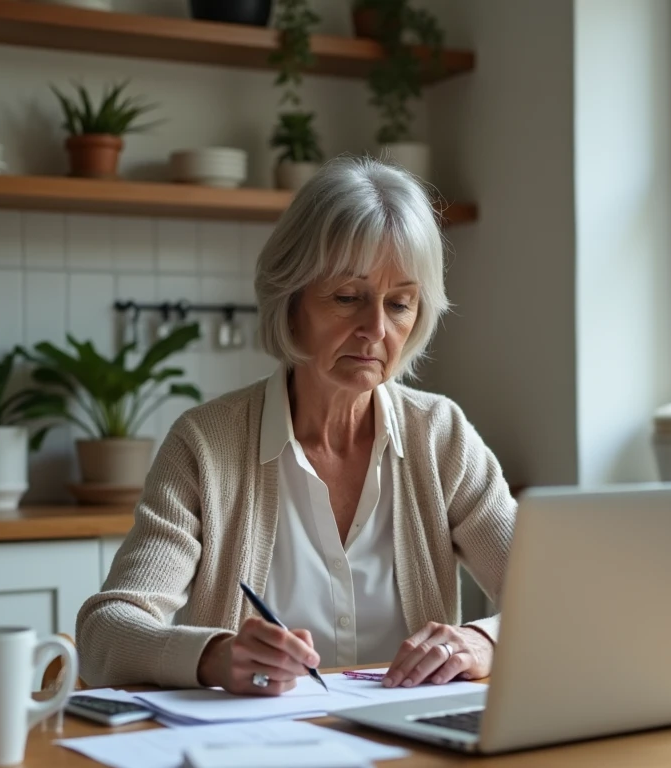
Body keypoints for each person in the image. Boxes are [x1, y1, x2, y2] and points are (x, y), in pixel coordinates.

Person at [76, 156, 515, 696]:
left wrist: (483, 642)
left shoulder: (441, 436)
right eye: (348, 298)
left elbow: (555, 599)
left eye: (399, 303)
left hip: (415, 753)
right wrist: (213, 657)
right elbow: (103, 633)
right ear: (291, 304)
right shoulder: (205, 445)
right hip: (255, 756)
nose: (375, 329)